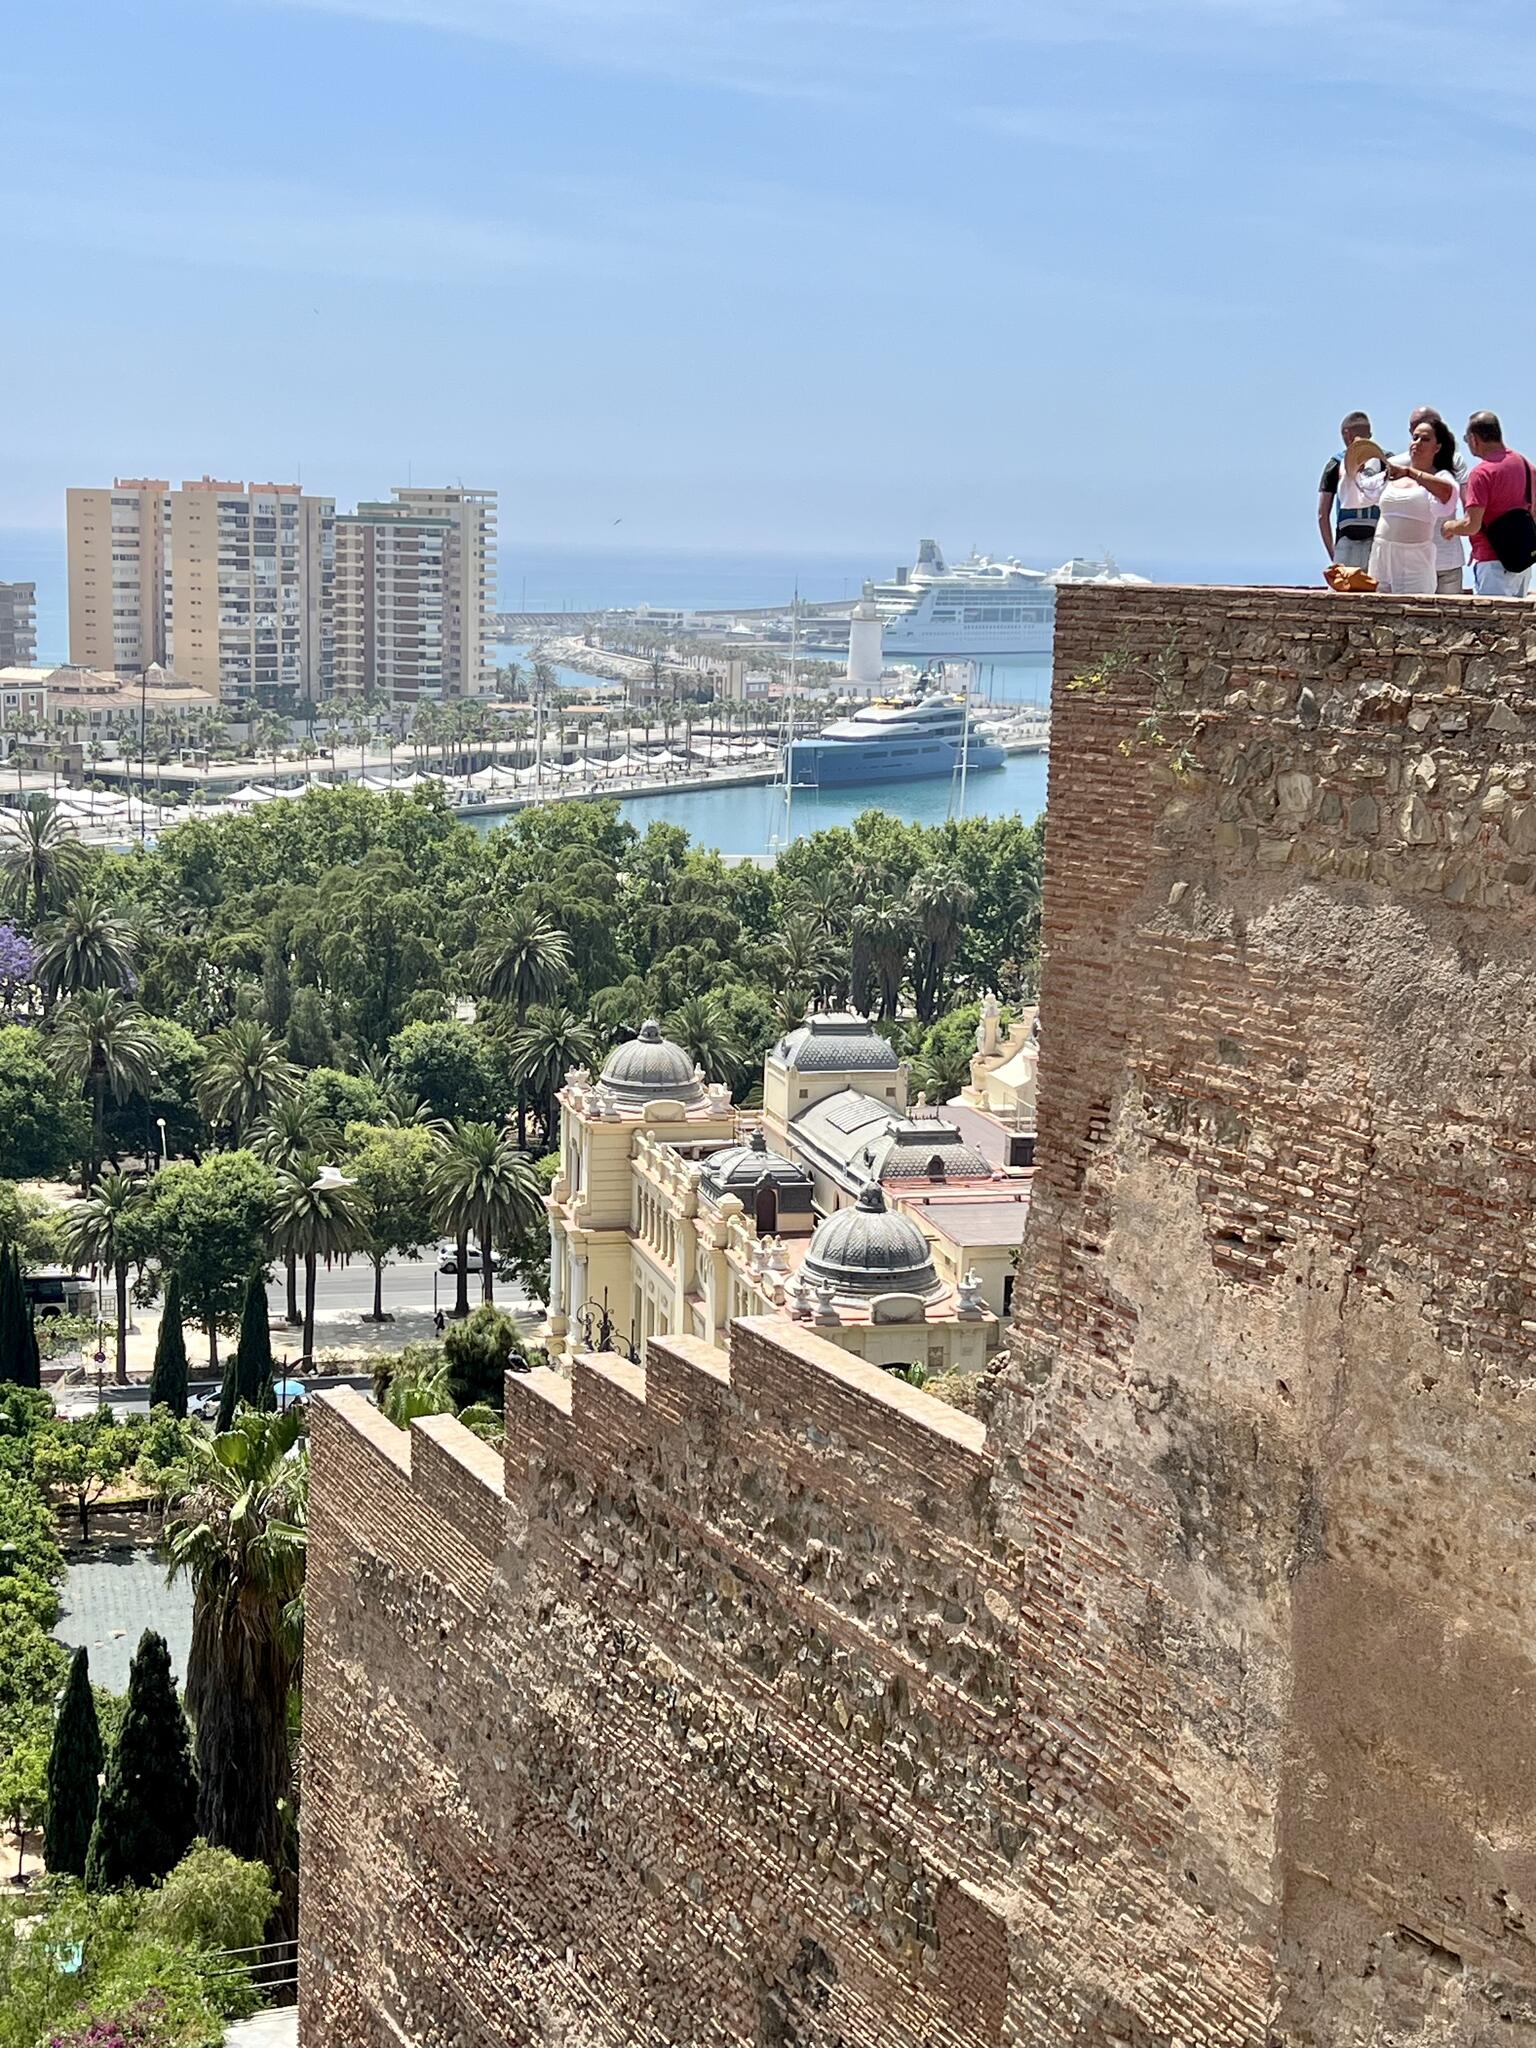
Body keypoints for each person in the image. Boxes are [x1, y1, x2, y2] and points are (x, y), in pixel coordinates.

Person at [1444, 411, 1535, 598]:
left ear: (1474, 438)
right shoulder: (1527, 466)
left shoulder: (1482, 473)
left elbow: (1472, 525)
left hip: (1492, 562)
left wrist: (1449, 527)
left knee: (1492, 616)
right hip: (1522, 560)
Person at [1366, 416, 1459, 595]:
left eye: (1425, 439)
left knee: (1414, 609)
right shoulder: (1392, 474)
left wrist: (1411, 473)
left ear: (1437, 447)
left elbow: (1447, 493)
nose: (1417, 443)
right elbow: (1361, 490)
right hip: (1381, 556)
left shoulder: (1440, 476)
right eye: (1415, 438)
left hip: (1414, 561)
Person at [1319, 411, 1382, 570]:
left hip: (1346, 539)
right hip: (1379, 540)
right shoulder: (1387, 460)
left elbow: (1322, 514)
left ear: (1347, 435)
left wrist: (1334, 554)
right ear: (1370, 434)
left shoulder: (1335, 464)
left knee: (1345, 584)